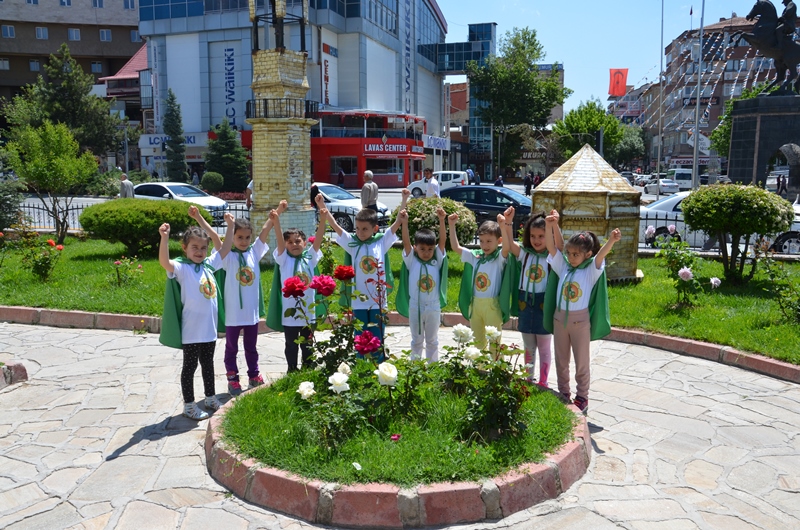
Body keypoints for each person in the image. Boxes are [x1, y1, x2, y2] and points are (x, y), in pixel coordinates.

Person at [191, 202, 278, 396]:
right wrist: (198, 218)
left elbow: (265, 228)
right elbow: (214, 236)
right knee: (231, 348)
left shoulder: (254, 252)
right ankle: (232, 378)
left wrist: (277, 213)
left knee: (251, 347)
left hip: (251, 313)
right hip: (232, 313)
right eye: (239, 237)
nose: (244, 241)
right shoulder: (226, 256)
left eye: (247, 237)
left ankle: (254, 374)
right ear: (233, 237)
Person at [157, 210, 235, 420]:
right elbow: (165, 262)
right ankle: (189, 405)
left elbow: (225, 247)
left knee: (208, 365)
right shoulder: (182, 268)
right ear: (184, 248)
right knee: (189, 368)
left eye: (203, 247)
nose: (199, 251)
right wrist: (164, 239)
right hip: (191, 331)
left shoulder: (209, 264)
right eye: (194, 247)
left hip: (208, 330)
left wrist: (230, 227)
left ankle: (210, 397)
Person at [543, 212, 620, 414]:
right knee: (561, 359)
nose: (570, 257)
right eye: (569, 253)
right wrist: (551, 225)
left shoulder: (591, 270)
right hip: (559, 320)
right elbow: (553, 248)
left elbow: (601, 254)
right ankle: (564, 393)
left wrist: (611, 240)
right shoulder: (564, 267)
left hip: (580, 323)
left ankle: (582, 397)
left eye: (576, 254)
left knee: (581, 361)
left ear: (587, 254)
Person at [321, 190, 408, 358]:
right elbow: (338, 229)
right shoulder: (353, 244)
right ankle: (361, 366)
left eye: (365, 229)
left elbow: (398, 221)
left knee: (377, 336)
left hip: (378, 300)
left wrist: (404, 199)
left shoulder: (381, 242)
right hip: (358, 300)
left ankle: (379, 367)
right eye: (358, 228)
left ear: (375, 228)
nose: (360, 232)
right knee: (360, 336)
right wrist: (322, 206)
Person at [502, 208, 563, 386]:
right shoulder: (525, 254)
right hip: (525, 303)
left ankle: (543, 382)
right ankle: (528, 378)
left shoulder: (552, 257)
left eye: (541, 236)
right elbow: (512, 245)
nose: (536, 240)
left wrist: (555, 225)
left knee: (544, 347)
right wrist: (508, 223)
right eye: (533, 236)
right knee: (528, 345)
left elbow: (560, 247)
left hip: (544, 304)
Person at [267, 201, 328, 372]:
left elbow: (319, 239)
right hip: (290, 313)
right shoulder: (284, 259)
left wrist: (322, 220)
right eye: (290, 242)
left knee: (307, 344)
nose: (294, 244)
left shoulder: (310, 257)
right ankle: (292, 369)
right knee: (291, 344)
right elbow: (279, 240)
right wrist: (276, 222)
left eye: (298, 241)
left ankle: (308, 369)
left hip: (308, 312)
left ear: (304, 243)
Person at [449, 214, 512, 351]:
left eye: (489, 241)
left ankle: (496, 369)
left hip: (492, 306)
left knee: (494, 342)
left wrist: (503, 226)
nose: (485, 245)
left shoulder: (499, 258)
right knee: (478, 342)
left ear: (499, 241)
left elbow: (507, 248)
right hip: (475, 304)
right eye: (482, 241)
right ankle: (480, 370)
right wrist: (452, 225)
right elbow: (456, 247)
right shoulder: (475, 256)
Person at [396, 206, 448, 362]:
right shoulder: (411, 260)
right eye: (422, 248)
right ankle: (416, 367)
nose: (426, 252)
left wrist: (441, 220)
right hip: (415, 306)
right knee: (417, 340)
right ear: (415, 248)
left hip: (433, 306)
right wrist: (404, 223)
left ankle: (433, 367)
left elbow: (443, 242)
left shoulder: (436, 261)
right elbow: (405, 241)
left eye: (430, 249)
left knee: (432, 340)